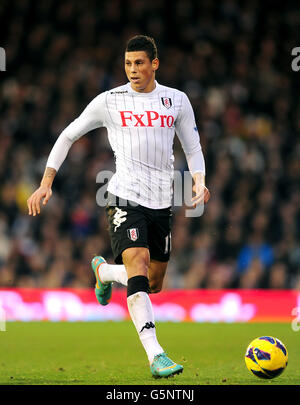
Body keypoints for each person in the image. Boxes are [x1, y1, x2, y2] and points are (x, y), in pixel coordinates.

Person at [27, 35, 210, 378]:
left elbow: (193, 146)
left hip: (161, 204)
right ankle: (156, 354)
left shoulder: (177, 101)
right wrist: (46, 181)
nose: (133, 70)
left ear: (155, 64)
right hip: (124, 196)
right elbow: (68, 134)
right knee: (138, 264)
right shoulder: (109, 101)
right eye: (128, 63)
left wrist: (199, 180)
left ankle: (104, 272)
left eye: (139, 63)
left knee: (152, 283)